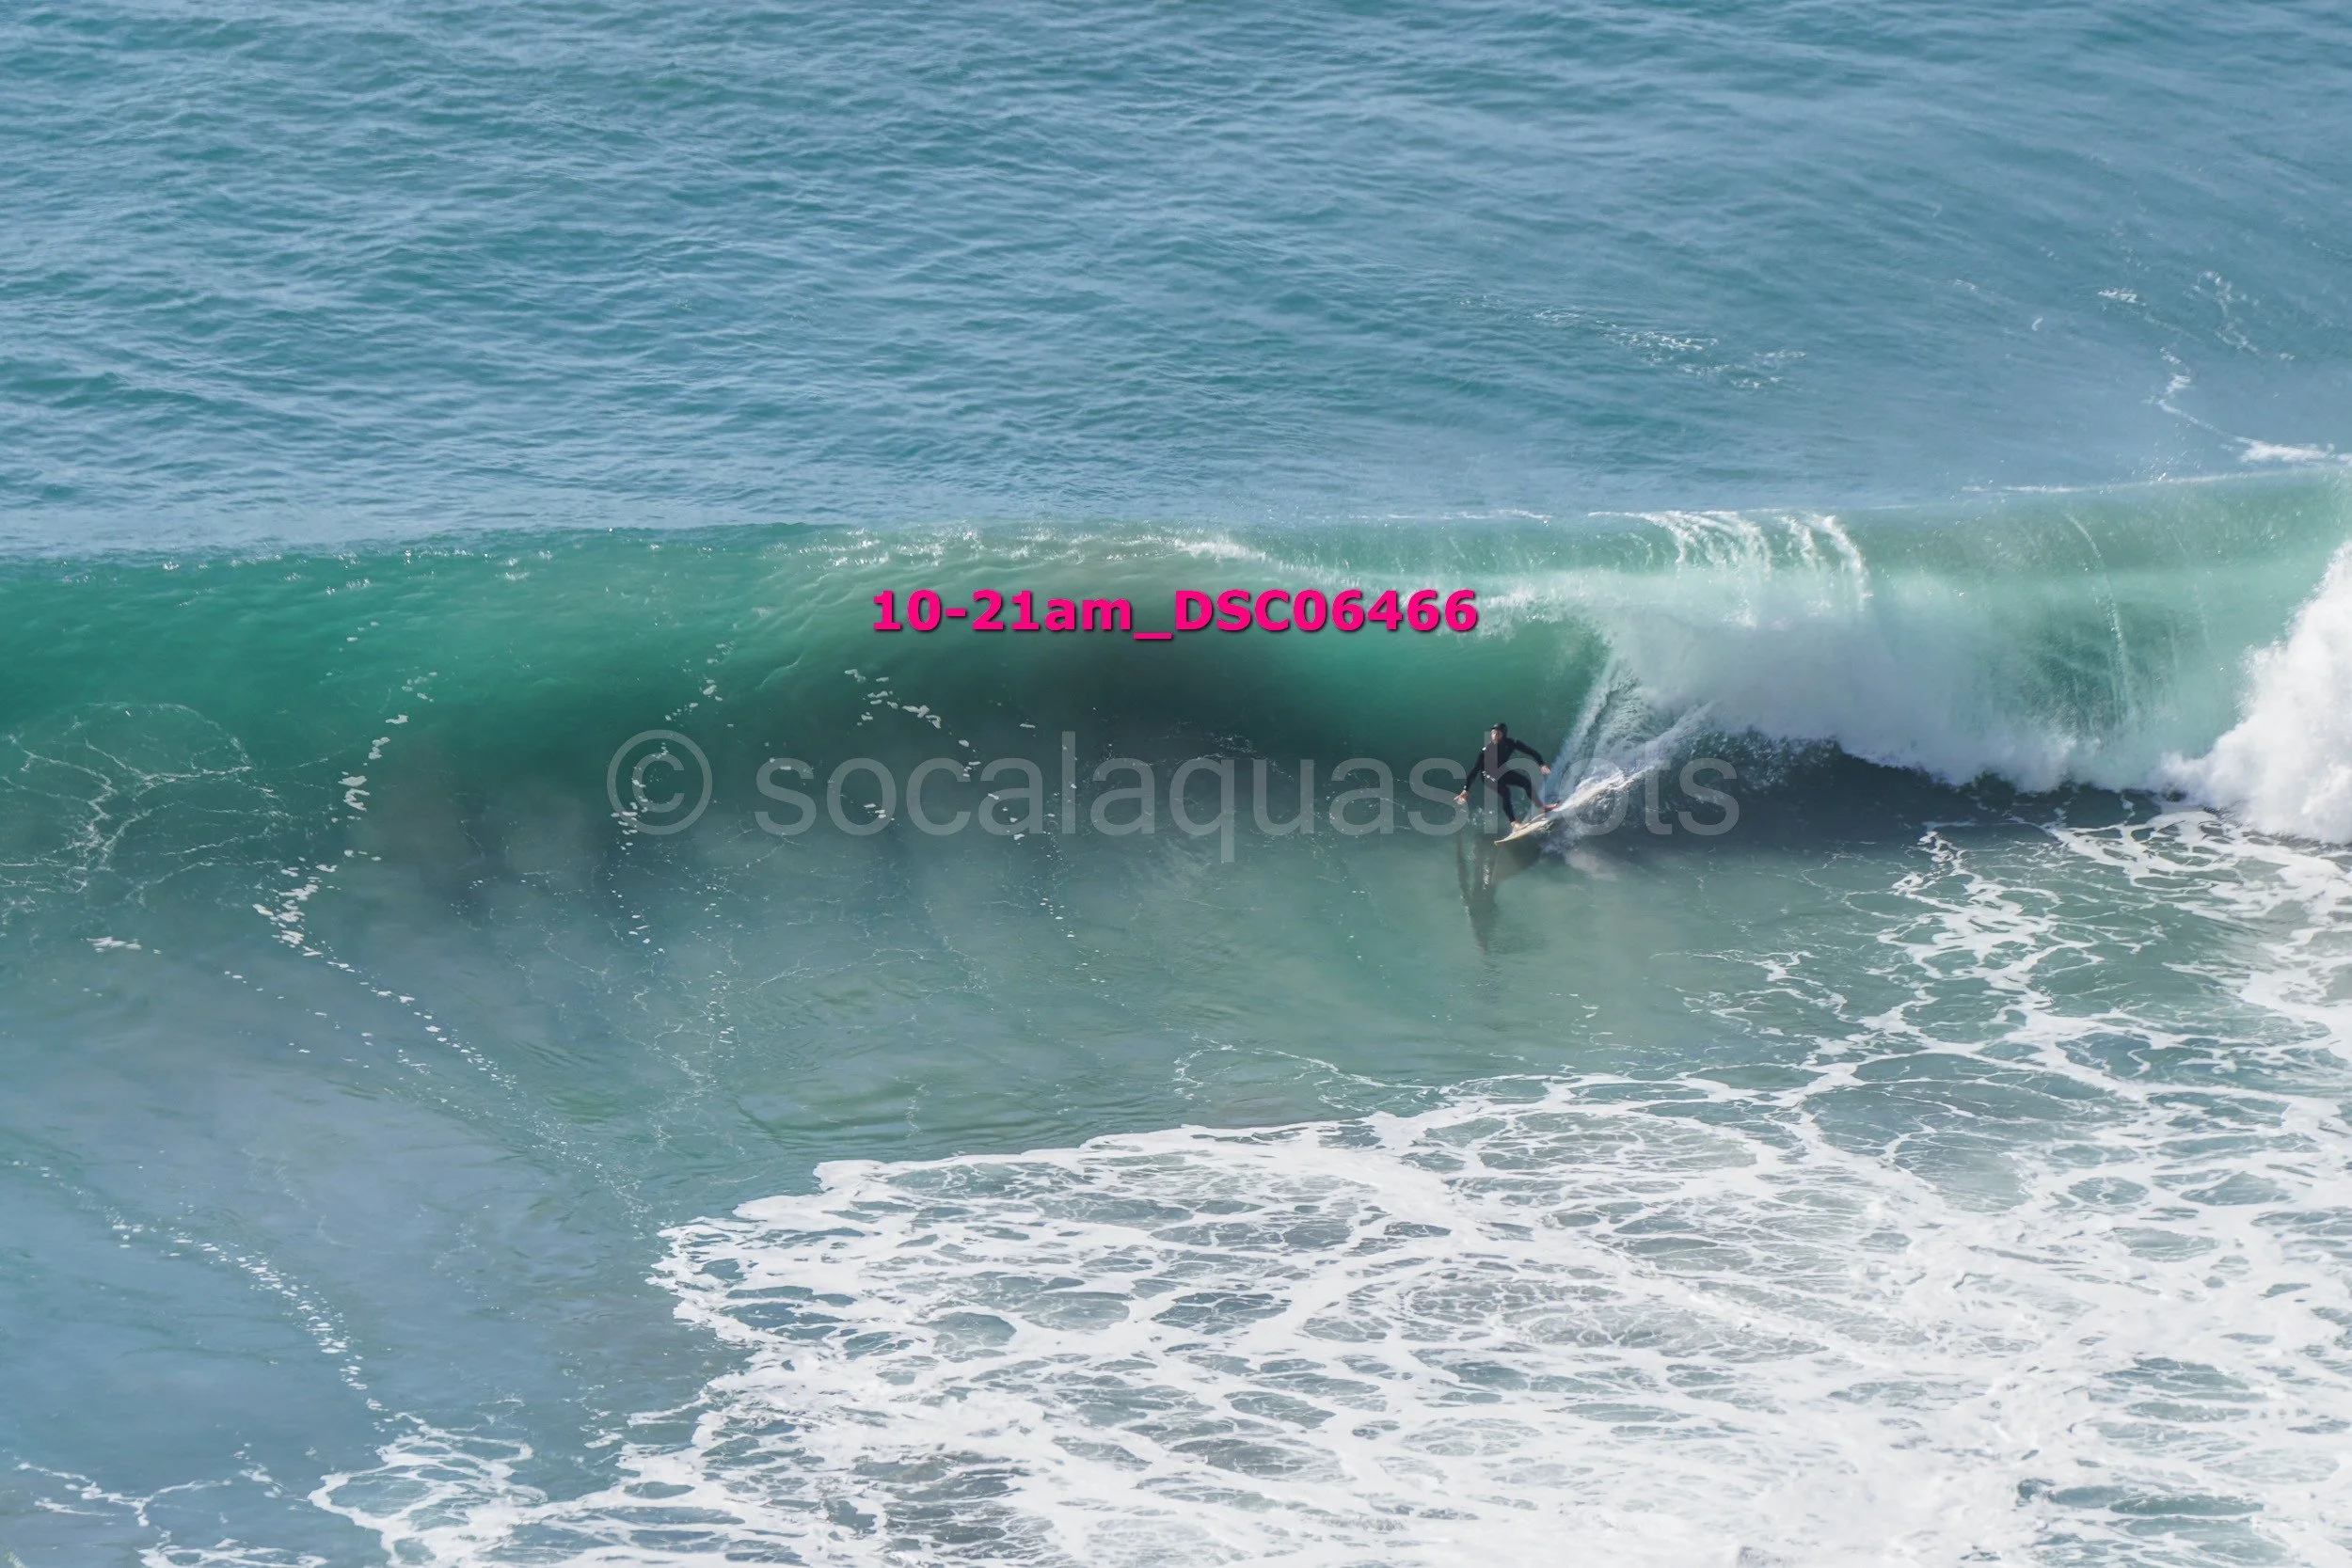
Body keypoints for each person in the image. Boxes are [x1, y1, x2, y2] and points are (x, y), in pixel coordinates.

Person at [1454, 721, 1550, 824]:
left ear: (1504, 735)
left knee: (1526, 782)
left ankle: (1541, 808)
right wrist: (1466, 790)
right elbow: (1475, 770)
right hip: (1487, 776)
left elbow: (1531, 751)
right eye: (1493, 733)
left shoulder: (1511, 743)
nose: (1495, 736)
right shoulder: (1486, 751)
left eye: (1498, 734)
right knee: (1505, 792)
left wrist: (1541, 764)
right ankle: (1514, 823)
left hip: (1502, 771)